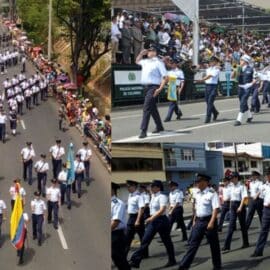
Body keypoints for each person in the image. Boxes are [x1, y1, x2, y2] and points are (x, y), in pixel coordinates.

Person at [178, 173, 221, 270]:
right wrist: (194, 220)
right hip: (199, 221)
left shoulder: (212, 193)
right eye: (196, 181)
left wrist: (211, 222)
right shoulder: (197, 194)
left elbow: (215, 209)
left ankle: (217, 266)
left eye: (199, 181)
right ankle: (183, 266)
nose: (197, 183)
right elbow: (197, 209)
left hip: (209, 220)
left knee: (214, 245)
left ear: (205, 182)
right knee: (193, 245)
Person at [129, 180, 176, 268]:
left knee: (167, 242)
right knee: (145, 240)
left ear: (158, 188)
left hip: (161, 221)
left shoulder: (162, 196)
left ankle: (172, 260)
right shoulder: (153, 196)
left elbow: (162, 210)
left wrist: (151, 218)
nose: (151, 188)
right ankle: (135, 261)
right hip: (154, 221)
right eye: (151, 187)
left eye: (152, 187)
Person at [136, 46, 168, 139]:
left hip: (153, 87)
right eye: (149, 51)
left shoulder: (159, 63)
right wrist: (141, 54)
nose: (150, 52)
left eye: (152, 51)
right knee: (152, 108)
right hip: (146, 87)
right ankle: (159, 126)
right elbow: (137, 61)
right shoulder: (145, 61)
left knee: (146, 108)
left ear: (156, 53)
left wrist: (160, 89)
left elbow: (165, 77)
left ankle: (143, 130)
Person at [222, 172, 249, 251]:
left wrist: (240, 207)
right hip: (233, 206)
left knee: (242, 226)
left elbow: (244, 198)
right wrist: (230, 208)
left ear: (237, 178)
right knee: (231, 226)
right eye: (231, 178)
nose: (231, 180)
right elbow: (231, 198)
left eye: (233, 178)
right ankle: (227, 246)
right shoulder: (231, 187)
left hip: (240, 205)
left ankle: (245, 242)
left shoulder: (242, 186)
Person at [125, 180, 148, 258]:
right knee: (127, 238)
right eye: (127, 186)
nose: (127, 188)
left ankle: (145, 254)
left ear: (134, 186)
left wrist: (138, 220)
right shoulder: (130, 195)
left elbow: (141, 209)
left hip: (137, 218)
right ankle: (123, 256)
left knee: (142, 237)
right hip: (131, 218)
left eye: (129, 186)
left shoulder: (139, 196)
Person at [251, 169, 270, 257]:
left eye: (268, 175)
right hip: (266, 210)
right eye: (266, 175)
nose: (267, 176)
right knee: (263, 231)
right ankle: (258, 251)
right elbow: (261, 195)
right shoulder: (264, 186)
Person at [111, 182, 130, 270]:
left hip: (116, 235)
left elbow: (116, 222)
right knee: (116, 258)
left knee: (119, 258)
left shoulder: (117, 203)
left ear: (112, 190)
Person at [234, 54, 256, 126]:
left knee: (242, 102)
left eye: (241, 60)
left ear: (245, 61)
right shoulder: (239, 68)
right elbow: (232, 77)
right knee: (243, 103)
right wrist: (235, 71)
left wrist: (249, 85)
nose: (240, 61)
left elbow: (255, 79)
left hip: (247, 88)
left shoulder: (251, 69)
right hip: (240, 87)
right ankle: (250, 116)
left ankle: (238, 120)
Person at [197, 56, 220, 123]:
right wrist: (201, 79)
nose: (211, 62)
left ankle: (208, 117)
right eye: (210, 61)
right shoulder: (208, 69)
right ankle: (215, 112)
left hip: (213, 87)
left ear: (215, 62)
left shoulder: (216, 69)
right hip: (207, 86)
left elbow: (210, 76)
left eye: (213, 61)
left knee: (210, 102)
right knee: (207, 102)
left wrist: (202, 79)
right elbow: (205, 76)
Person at [164, 57, 185, 122]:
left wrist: (181, 88)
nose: (171, 64)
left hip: (175, 87)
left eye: (172, 63)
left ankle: (168, 117)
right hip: (170, 86)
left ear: (175, 64)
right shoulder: (169, 72)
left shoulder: (179, 72)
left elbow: (182, 81)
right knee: (174, 102)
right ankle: (179, 113)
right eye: (171, 63)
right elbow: (166, 80)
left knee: (172, 103)